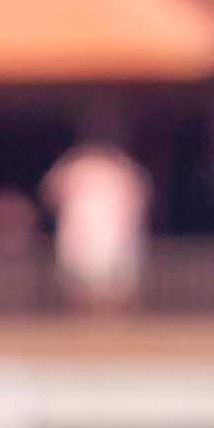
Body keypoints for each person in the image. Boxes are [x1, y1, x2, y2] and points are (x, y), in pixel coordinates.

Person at [46, 128, 151, 312]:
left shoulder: (123, 168)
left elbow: (140, 196)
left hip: (115, 232)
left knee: (118, 282)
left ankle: (115, 321)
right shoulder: (75, 167)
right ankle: (84, 321)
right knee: (79, 282)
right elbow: (51, 191)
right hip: (79, 231)